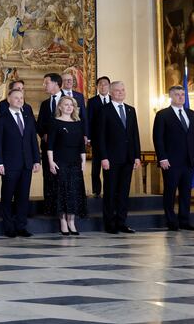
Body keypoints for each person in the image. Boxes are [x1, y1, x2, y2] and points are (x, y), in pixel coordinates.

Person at [152, 86, 194, 231]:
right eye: (178, 95)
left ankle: (184, 221)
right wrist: (162, 157)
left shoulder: (191, 114)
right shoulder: (163, 115)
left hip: (189, 161)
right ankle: (171, 221)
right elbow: (158, 138)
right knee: (170, 191)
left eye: (183, 94)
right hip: (171, 161)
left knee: (186, 192)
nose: (181, 97)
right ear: (171, 97)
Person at [0, 89, 41, 238]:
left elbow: (33, 140)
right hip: (9, 164)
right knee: (7, 196)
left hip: (26, 163)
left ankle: (21, 226)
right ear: (9, 99)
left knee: (23, 197)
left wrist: (36, 160)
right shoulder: (2, 118)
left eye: (21, 98)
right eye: (16, 98)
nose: (20, 100)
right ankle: (9, 227)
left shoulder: (27, 116)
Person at [95, 81, 141, 234]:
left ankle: (121, 222)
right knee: (110, 192)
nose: (120, 92)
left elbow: (135, 135)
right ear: (111, 92)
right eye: (117, 90)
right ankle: (109, 224)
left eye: (122, 90)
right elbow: (100, 136)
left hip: (128, 158)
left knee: (123, 192)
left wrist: (136, 157)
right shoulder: (104, 110)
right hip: (111, 159)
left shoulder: (130, 110)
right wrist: (103, 157)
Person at [46, 96, 87, 235]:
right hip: (60, 161)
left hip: (75, 161)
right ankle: (63, 221)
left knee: (74, 192)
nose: (69, 107)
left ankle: (71, 221)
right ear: (60, 107)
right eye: (66, 104)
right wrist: (51, 162)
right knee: (62, 192)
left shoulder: (78, 123)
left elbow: (82, 145)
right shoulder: (55, 122)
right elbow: (50, 145)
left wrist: (83, 162)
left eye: (71, 105)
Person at [37, 73, 65, 213]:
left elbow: (78, 122)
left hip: (65, 149)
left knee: (63, 179)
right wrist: (44, 134)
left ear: (55, 83)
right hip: (48, 148)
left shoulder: (69, 101)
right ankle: (50, 207)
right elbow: (39, 125)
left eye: (46, 82)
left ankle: (64, 208)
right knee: (48, 178)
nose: (44, 85)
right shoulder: (44, 104)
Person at [86, 76, 111, 198]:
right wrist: (89, 137)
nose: (103, 86)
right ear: (97, 87)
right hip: (96, 140)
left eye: (105, 84)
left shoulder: (113, 100)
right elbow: (89, 120)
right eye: (100, 84)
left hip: (111, 141)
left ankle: (109, 190)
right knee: (96, 167)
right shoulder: (92, 101)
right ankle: (96, 191)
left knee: (110, 168)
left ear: (109, 86)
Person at [61, 71, 88, 137]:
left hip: (77, 131)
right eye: (66, 80)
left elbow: (83, 116)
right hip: (62, 131)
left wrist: (85, 134)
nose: (69, 81)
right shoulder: (58, 95)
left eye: (70, 80)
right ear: (61, 82)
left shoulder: (79, 96)